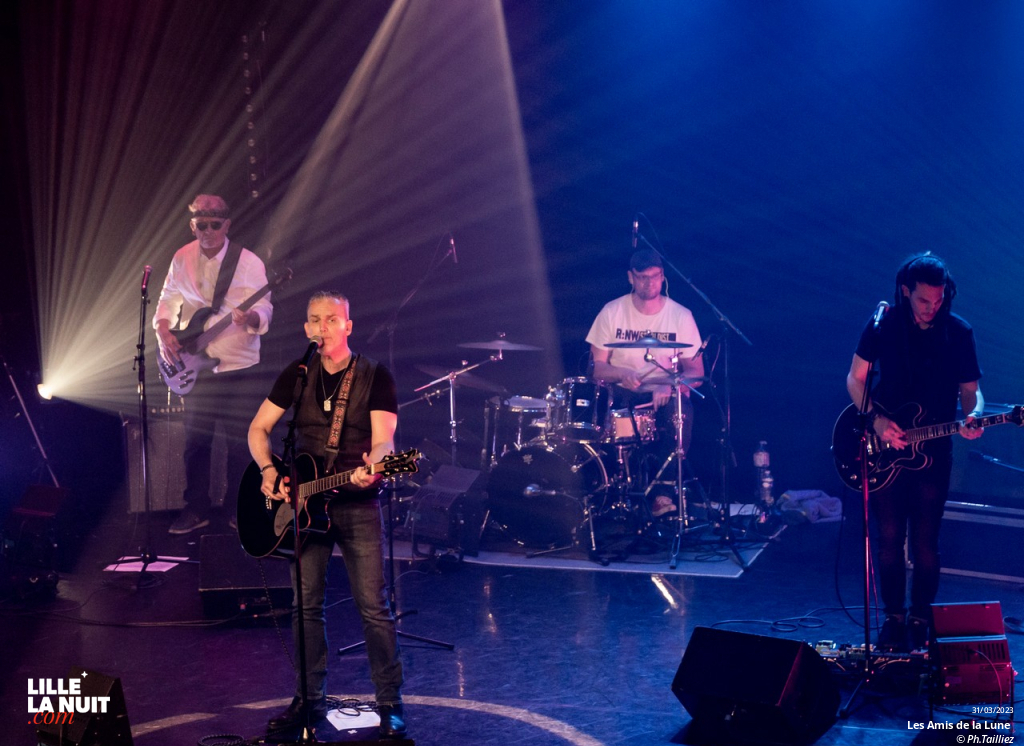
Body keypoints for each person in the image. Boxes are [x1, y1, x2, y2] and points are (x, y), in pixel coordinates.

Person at [247, 291, 406, 738]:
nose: (324, 327)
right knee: (305, 605)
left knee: (374, 607)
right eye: (315, 320)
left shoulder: (375, 375)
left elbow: (385, 444)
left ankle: (390, 703)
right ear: (306, 329)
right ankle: (308, 700)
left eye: (332, 319)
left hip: (355, 504)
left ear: (348, 326)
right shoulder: (298, 376)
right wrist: (267, 469)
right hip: (304, 507)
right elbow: (258, 429)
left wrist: (371, 471)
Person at [846, 253, 984, 652]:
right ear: (906, 292)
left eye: (938, 301)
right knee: (888, 538)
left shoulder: (958, 332)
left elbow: (971, 391)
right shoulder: (884, 325)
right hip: (885, 446)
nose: (931, 308)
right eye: (924, 301)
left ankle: (921, 616)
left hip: (934, 452)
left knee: (925, 541)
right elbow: (855, 380)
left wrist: (973, 415)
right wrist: (875, 421)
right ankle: (893, 617)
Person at [154, 194, 273, 535]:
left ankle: (240, 509)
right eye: (200, 224)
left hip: (240, 366)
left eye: (214, 224)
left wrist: (251, 316)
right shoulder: (182, 258)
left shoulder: (248, 262)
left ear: (227, 224)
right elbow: (167, 299)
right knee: (196, 442)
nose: (207, 231)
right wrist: (163, 330)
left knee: (241, 443)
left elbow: (266, 308)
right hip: (196, 365)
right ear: (192, 225)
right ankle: (196, 509)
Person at [586, 248, 704, 517]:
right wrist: (621, 373)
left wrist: (672, 385)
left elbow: (696, 372)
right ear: (631, 277)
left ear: (663, 277)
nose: (649, 283)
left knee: (681, 414)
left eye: (655, 277)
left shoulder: (680, 315)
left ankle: (663, 495)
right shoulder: (612, 311)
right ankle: (610, 491)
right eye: (642, 277)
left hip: (664, 395)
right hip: (622, 393)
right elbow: (596, 368)